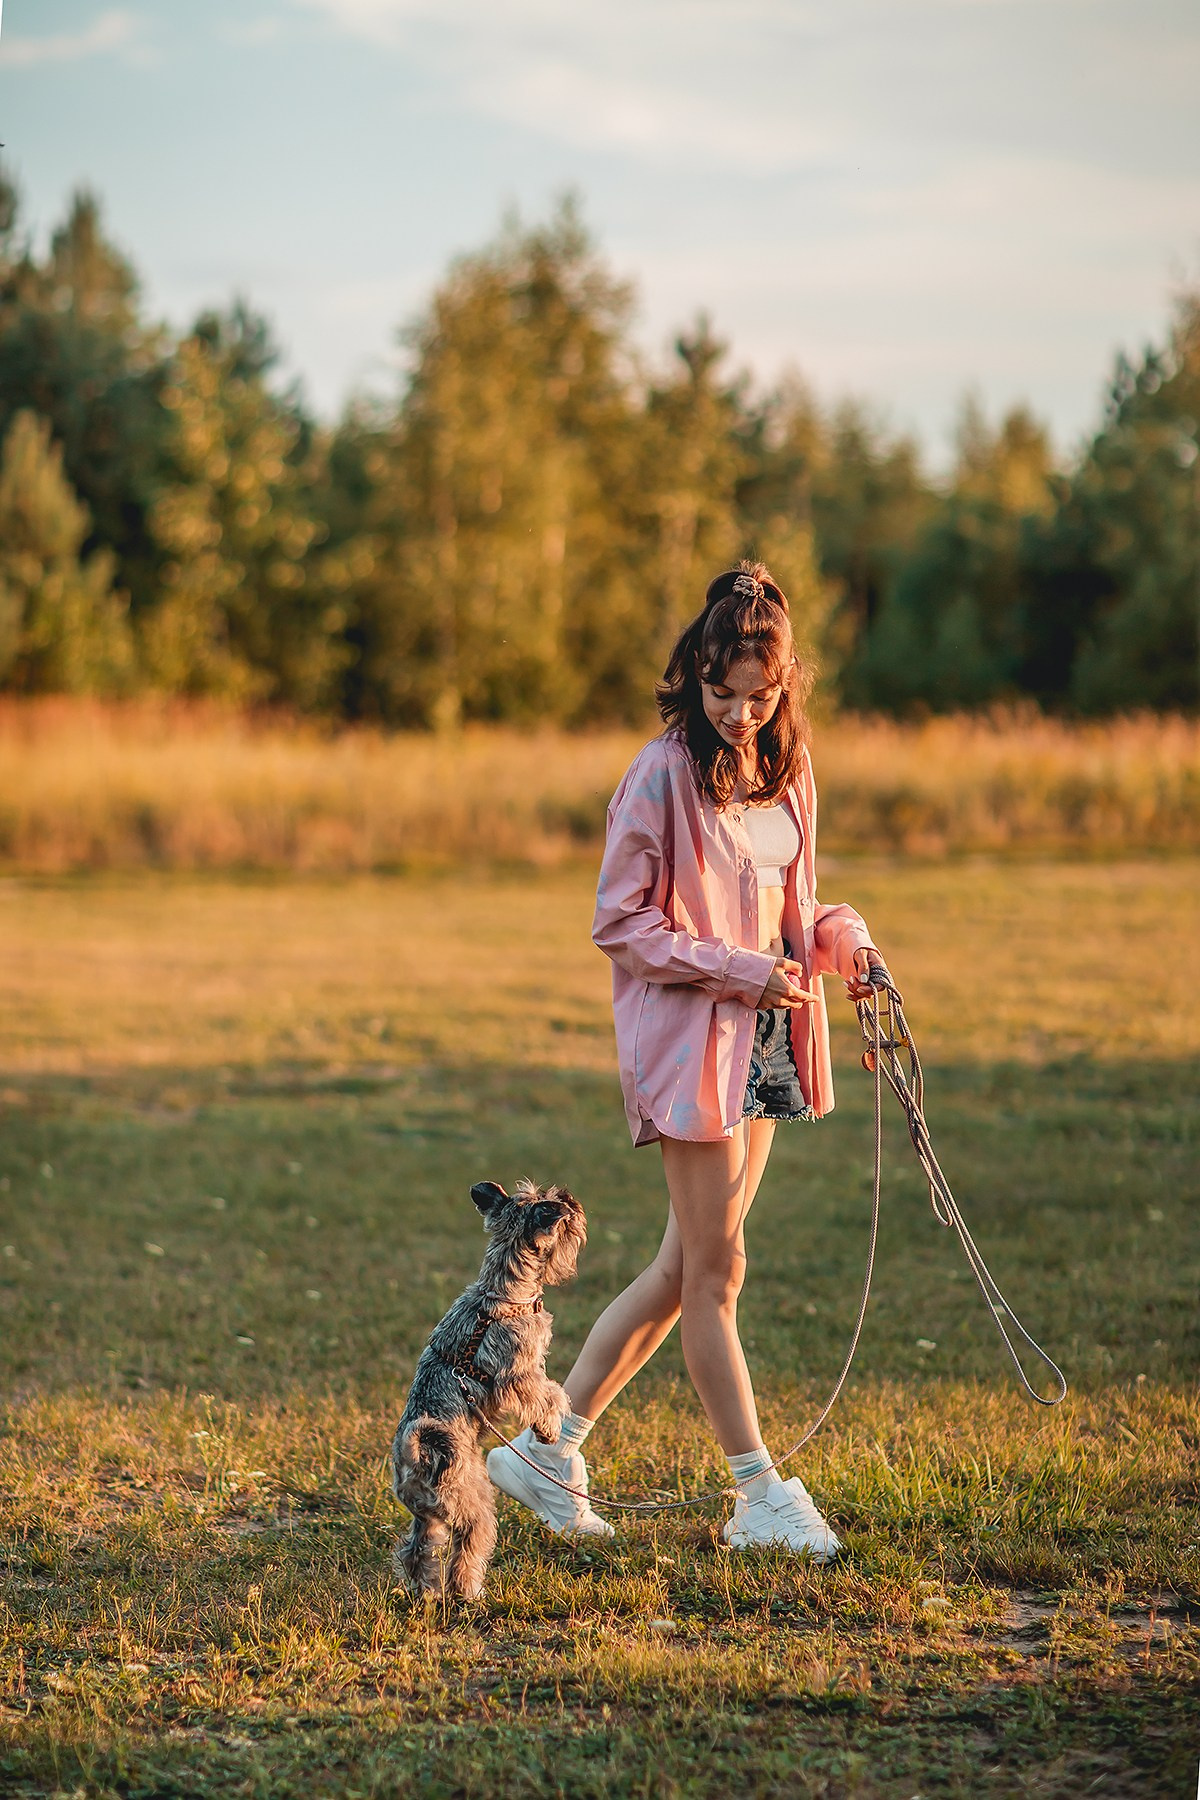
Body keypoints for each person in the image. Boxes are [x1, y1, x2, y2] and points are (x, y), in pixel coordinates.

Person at [487, 562, 887, 1556]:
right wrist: (739, 972)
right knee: (718, 1272)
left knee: (682, 1268)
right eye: (722, 692)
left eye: (760, 695)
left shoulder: (789, 770)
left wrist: (852, 948)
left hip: (769, 1040)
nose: (741, 713)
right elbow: (621, 923)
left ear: (785, 684)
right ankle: (759, 1495)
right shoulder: (660, 773)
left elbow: (797, 910)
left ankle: (545, 1454)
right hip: (692, 1046)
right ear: (694, 673)